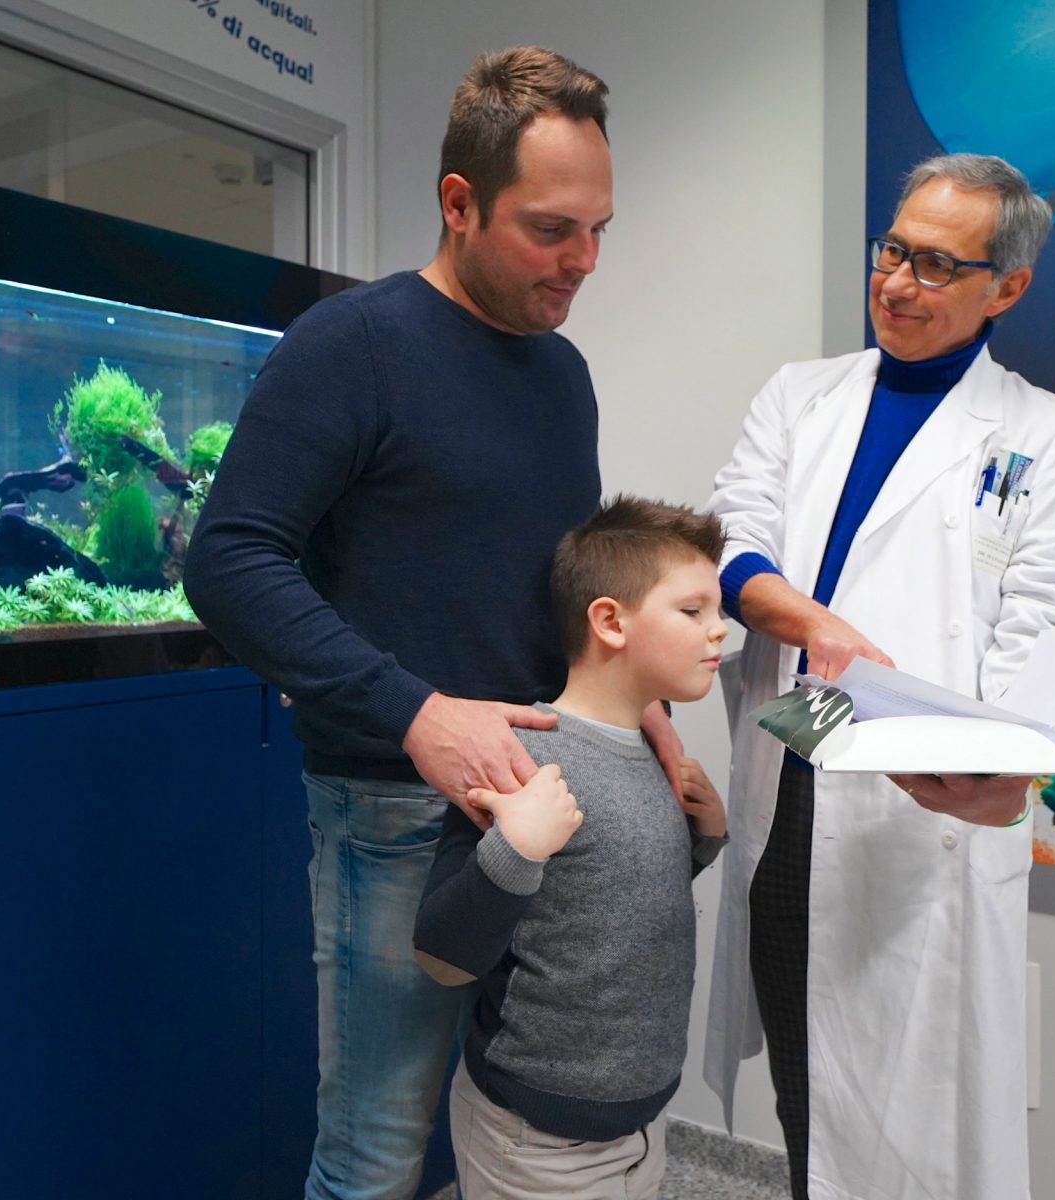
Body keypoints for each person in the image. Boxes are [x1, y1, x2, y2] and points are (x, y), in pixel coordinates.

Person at [182, 47, 683, 1200]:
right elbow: (229, 560)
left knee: (507, 1132)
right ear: (460, 203)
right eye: (551, 230)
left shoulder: (561, 372)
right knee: (375, 1154)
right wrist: (416, 713)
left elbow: (555, 577)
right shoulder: (351, 346)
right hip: (397, 812)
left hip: (542, 801)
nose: (584, 261)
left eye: (599, 230)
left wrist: (629, 701)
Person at [702, 153, 1055, 1200]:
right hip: (791, 781)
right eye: (892, 251)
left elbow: (1045, 627)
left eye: (935, 265)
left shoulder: (1045, 433)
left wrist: (1009, 770)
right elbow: (731, 540)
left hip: (930, 817)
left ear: (1005, 288)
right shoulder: (801, 396)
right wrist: (809, 620)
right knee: (805, 1088)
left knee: (922, 1117)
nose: (895, 283)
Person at [413, 496, 730, 1200]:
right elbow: (441, 957)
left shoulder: (653, 754)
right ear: (610, 621)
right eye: (693, 611)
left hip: (641, 1126)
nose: (720, 629)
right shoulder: (520, 758)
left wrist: (702, 838)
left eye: (717, 610)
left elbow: (611, 899)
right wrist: (516, 848)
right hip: (534, 1143)